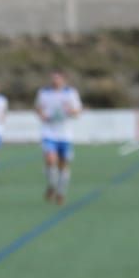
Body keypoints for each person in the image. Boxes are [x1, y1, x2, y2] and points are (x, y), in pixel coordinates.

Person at [35, 71, 82, 204]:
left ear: (64, 80)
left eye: (58, 78)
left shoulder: (71, 93)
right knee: (50, 160)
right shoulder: (43, 92)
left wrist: (71, 111)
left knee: (63, 164)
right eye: (53, 78)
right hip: (48, 132)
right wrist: (41, 114)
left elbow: (77, 111)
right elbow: (38, 108)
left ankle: (60, 192)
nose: (55, 81)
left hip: (65, 134)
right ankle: (52, 185)